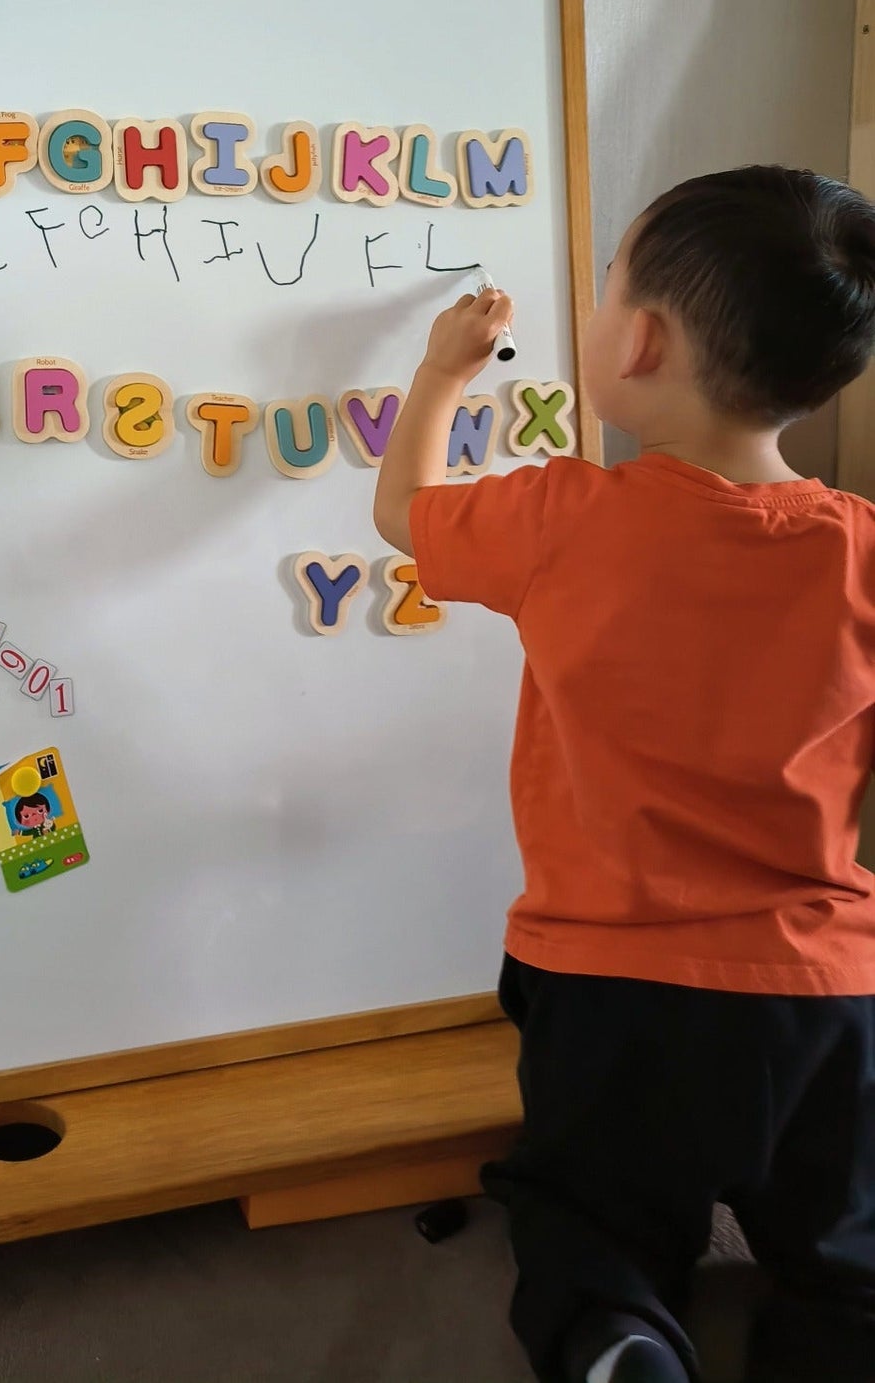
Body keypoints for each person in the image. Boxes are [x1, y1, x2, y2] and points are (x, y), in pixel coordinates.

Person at [373, 167, 875, 1383]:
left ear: (637, 340)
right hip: (824, 989)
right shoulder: (861, 546)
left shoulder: (562, 515)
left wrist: (443, 370)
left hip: (609, 984)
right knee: (844, 1249)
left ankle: (617, 1339)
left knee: (586, 1219)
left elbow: (405, 511)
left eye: (603, 291)